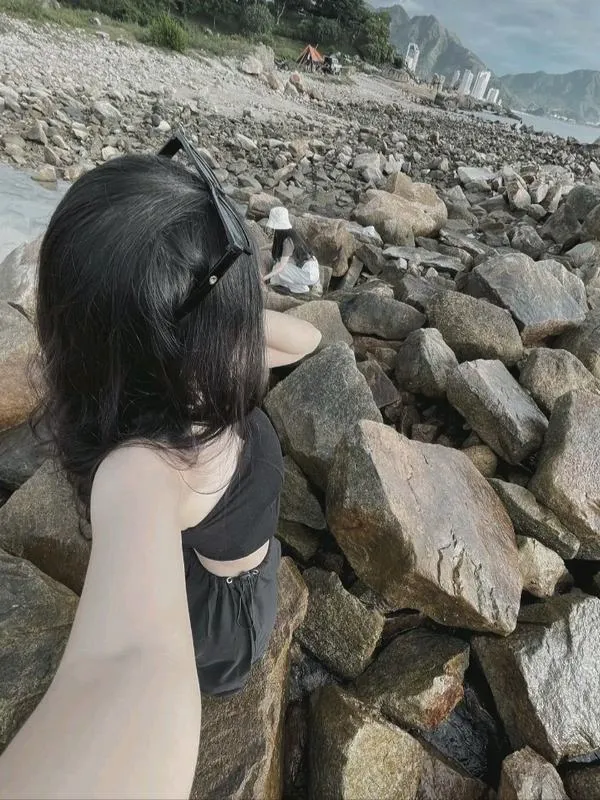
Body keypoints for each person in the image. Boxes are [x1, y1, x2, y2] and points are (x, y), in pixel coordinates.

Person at [0, 138, 321, 799]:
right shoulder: (163, 443)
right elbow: (129, 663)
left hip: (226, 626)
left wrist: (216, 313)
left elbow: (132, 665)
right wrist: (220, 313)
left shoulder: (152, 446)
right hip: (243, 585)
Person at [262, 206, 321, 294]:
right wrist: (260, 248)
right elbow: (273, 245)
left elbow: (281, 267)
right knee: (277, 268)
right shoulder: (291, 233)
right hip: (310, 267)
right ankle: (294, 285)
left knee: (281, 270)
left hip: (309, 273)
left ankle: (301, 289)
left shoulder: (287, 241)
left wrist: (263, 278)